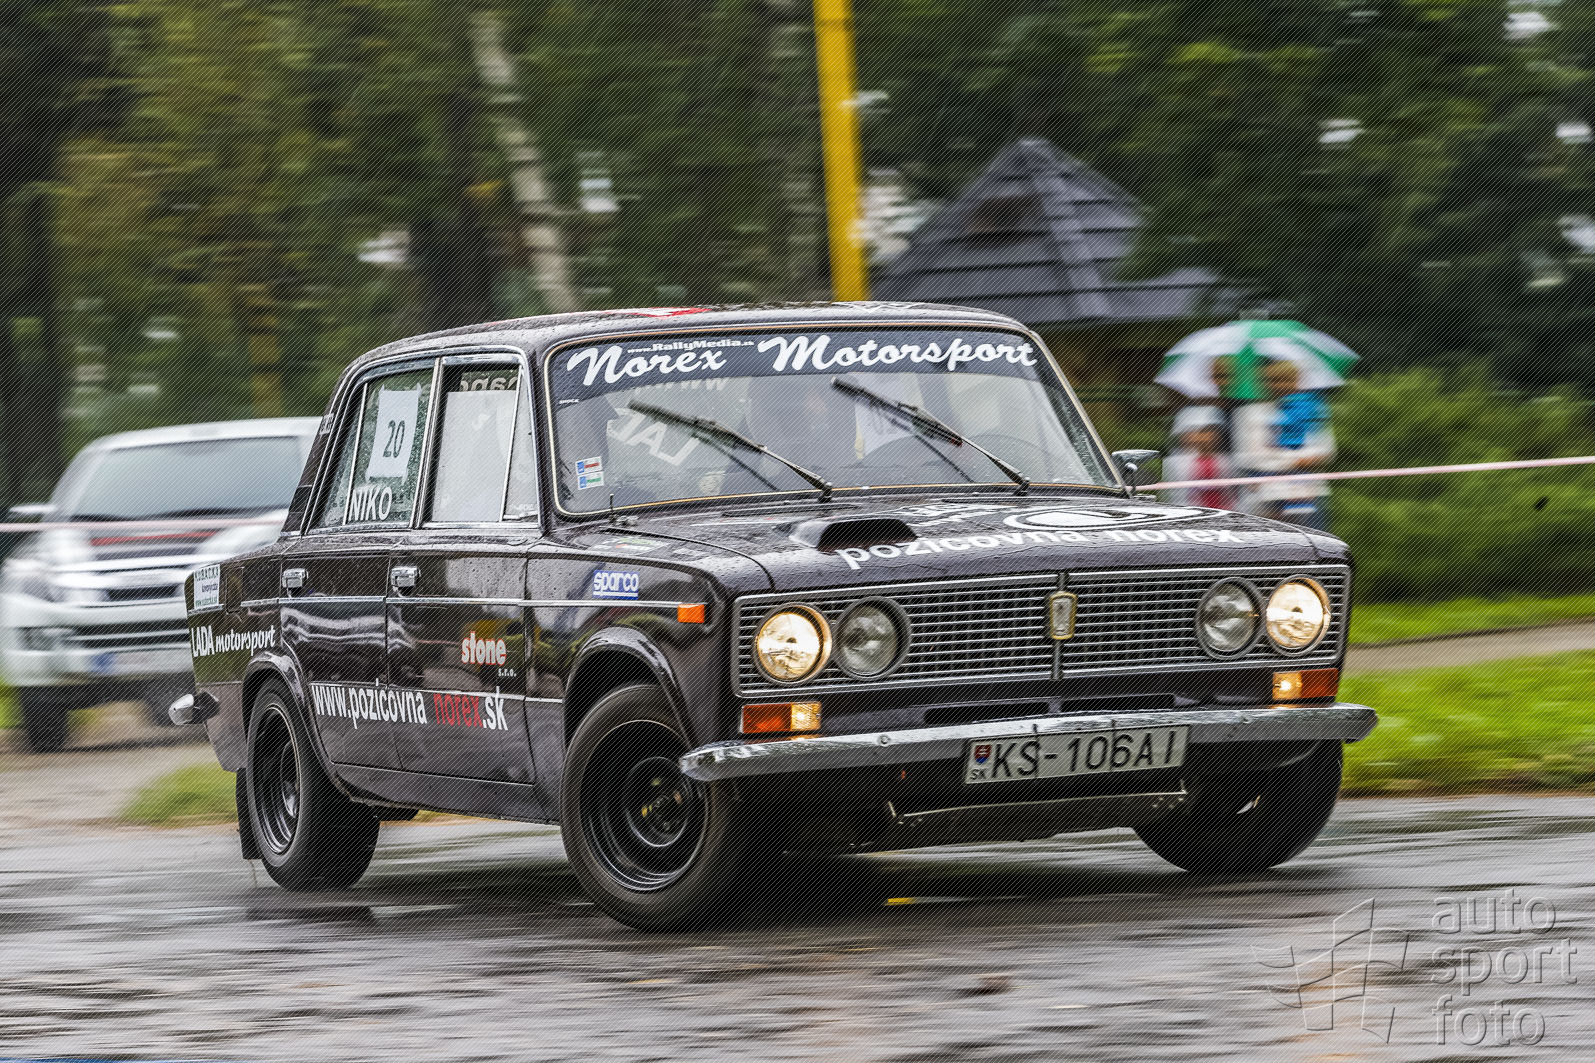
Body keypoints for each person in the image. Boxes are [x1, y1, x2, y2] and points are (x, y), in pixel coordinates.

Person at [1232, 359, 1335, 529]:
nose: (1280, 385)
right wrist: (1296, 461)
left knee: (1314, 542)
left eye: (1287, 379)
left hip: (1307, 495)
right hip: (1265, 497)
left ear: (1297, 380)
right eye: (1274, 380)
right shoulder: (1247, 413)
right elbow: (1245, 458)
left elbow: (1326, 451)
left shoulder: (1313, 409)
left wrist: (1276, 460)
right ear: (1263, 382)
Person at [1163, 405, 1239, 510]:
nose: (1205, 437)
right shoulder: (1175, 464)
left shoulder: (1228, 461)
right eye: (1199, 431)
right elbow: (1174, 496)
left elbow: (1237, 494)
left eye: (1210, 430)